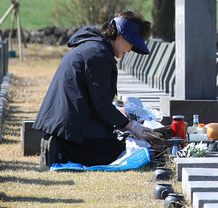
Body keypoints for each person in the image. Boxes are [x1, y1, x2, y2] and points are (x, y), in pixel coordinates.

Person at [34, 10, 153, 167]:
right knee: (120, 152)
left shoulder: (95, 48)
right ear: (119, 35)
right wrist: (132, 127)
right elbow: (101, 104)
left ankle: (63, 146)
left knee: (118, 145)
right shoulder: (99, 54)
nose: (130, 49)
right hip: (70, 128)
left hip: (69, 123)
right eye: (131, 43)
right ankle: (63, 149)